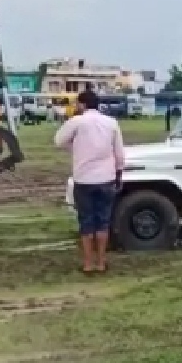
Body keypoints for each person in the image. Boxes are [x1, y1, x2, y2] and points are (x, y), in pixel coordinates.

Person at [54, 89, 125, 274]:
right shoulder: (111, 123)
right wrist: (119, 174)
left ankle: (88, 263)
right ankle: (101, 262)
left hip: (84, 179)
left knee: (86, 222)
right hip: (106, 178)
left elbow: (58, 141)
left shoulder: (77, 122)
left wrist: (74, 145)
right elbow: (119, 154)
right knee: (103, 222)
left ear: (82, 104)